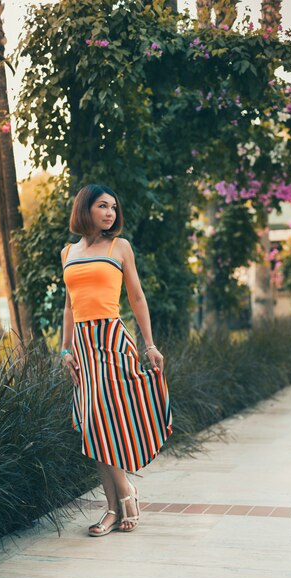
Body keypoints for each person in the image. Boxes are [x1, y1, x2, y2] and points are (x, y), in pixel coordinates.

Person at [60, 184, 173, 536]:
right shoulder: (68, 252)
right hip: (83, 346)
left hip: (111, 339)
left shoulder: (119, 247)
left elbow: (137, 297)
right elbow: (69, 305)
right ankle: (115, 505)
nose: (110, 213)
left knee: (110, 419)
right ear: (85, 209)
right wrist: (65, 349)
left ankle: (123, 495)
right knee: (94, 424)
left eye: (113, 207)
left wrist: (149, 344)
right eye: (102, 206)